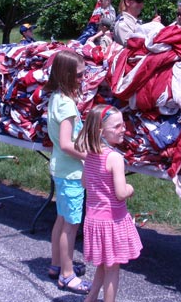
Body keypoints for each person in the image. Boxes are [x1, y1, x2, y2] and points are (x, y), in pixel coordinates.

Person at [74, 104, 142, 302]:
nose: (123, 129)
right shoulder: (114, 158)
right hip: (112, 222)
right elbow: (121, 193)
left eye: (123, 125)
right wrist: (131, 188)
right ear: (101, 131)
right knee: (112, 270)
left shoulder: (91, 155)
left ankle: (91, 298)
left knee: (104, 264)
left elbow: (85, 182)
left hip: (94, 220)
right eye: (117, 126)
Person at [42, 50, 91, 295]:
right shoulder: (68, 104)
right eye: (80, 75)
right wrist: (92, 157)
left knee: (61, 219)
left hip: (60, 168)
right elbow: (65, 143)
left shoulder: (56, 98)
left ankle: (56, 264)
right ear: (67, 75)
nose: (83, 78)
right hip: (71, 173)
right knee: (71, 225)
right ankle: (67, 275)